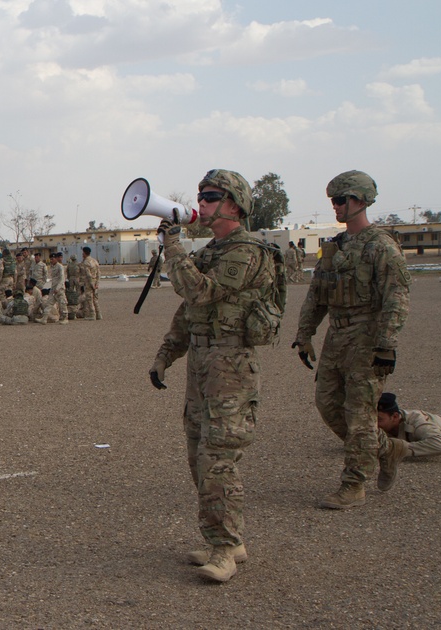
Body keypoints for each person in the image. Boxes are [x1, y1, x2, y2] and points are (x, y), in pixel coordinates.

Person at [150, 168, 282, 583]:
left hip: (231, 369)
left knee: (218, 460)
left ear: (234, 205)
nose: (201, 204)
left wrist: (173, 248)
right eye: (201, 197)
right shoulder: (210, 250)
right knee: (197, 456)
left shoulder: (247, 252)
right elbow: (189, 312)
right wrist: (165, 355)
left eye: (210, 197)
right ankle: (228, 539)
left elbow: (201, 292)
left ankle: (224, 550)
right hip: (202, 367)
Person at [293, 170, 412, 510]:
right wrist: (304, 335)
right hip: (337, 335)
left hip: (367, 335)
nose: (336, 206)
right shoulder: (335, 248)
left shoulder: (381, 245)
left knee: (359, 413)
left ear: (360, 201)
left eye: (342, 200)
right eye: (333, 200)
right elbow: (317, 295)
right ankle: (388, 449)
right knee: (328, 404)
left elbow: (397, 295)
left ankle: (353, 484)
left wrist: (386, 343)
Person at [377, 393, 441, 459]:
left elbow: (439, 445)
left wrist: (400, 449)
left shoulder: (417, 422)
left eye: (379, 420)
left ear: (395, 417)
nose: (374, 424)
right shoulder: (383, 424)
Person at [80, 246, 101, 320]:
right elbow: (99, 273)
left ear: (85, 253)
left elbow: (88, 275)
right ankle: (98, 314)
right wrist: (97, 284)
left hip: (89, 283)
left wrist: (92, 285)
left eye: (83, 253)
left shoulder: (86, 262)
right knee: (95, 299)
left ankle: (92, 315)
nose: (82, 254)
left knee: (89, 299)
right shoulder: (95, 261)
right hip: (95, 282)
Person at [48, 252, 68, 325]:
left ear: (56, 258)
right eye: (50, 259)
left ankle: (65, 318)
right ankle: (44, 317)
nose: (51, 260)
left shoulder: (60, 266)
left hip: (59, 288)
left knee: (62, 303)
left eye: (52, 259)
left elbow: (62, 278)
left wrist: (58, 288)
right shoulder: (52, 267)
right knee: (49, 303)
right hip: (53, 288)